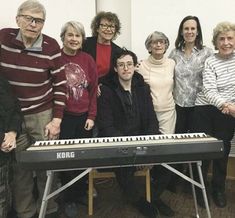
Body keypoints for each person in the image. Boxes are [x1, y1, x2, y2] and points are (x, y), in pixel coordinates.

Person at [0, 1, 67, 218]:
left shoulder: (51, 46)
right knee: (20, 169)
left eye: (38, 20)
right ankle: (25, 212)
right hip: (12, 117)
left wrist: (56, 120)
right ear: (18, 18)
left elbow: (60, 85)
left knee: (47, 166)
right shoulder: (3, 38)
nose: (33, 24)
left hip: (42, 114)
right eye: (28, 18)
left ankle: (50, 210)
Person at [97, 48, 167, 218]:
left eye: (129, 64)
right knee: (124, 167)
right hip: (119, 142)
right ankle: (139, 201)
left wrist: (148, 147)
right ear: (115, 68)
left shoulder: (143, 88)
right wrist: (131, 147)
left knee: (168, 162)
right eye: (121, 65)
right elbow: (107, 126)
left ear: (135, 66)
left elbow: (151, 119)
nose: (126, 68)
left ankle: (155, 197)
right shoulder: (106, 90)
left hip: (142, 138)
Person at [193, 21, 235, 208]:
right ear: (216, 42)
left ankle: (218, 189)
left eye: (230, 38)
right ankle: (200, 189)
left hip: (228, 111)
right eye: (222, 39)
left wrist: (231, 107)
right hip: (206, 110)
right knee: (204, 152)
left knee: (222, 150)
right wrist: (227, 105)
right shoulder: (210, 61)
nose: (226, 42)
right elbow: (209, 90)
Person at [59, 21, 98, 216]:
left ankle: (82, 190)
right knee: (65, 158)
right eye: (70, 35)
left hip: (84, 117)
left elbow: (92, 91)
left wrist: (91, 116)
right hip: (63, 117)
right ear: (63, 37)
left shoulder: (88, 59)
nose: (74, 39)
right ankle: (69, 198)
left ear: (82, 39)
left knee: (83, 157)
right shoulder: (55, 57)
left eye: (78, 36)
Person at [138, 31, 175, 217]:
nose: (158, 45)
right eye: (154, 42)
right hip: (149, 116)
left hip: (169, 113)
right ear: (149, 46)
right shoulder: (141, 66)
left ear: (166, 45)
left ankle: (154, 196)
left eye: (162, 42)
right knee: (150, 153)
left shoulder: (172, 64)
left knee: (165, 155)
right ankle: (147, 195)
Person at [169, 15, 213, 133]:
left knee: (197, 143)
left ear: (198, 31)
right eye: (186, 29)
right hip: (179, 106)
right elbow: (165, 71)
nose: (189, 32)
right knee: (179, 142)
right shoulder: (174, 53)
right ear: (181, 32)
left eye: (193, 29)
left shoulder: (207, 53)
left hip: (200, 106)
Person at [0, 76, 22, 218]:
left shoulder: (2, 82)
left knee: (5, 199)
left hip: (6, 153)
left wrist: (13, 133)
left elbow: (15, 108)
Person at [83, 11, 122, 89]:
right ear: (97, 28)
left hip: (105, 90)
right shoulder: (85, 43)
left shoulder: (118, 51)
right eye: (104, 26)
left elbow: (115, 76)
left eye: (112, 26)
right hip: (84, 87)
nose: (108, 29)